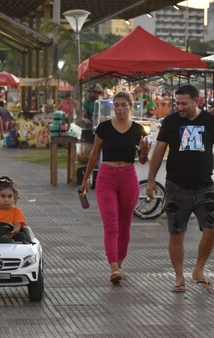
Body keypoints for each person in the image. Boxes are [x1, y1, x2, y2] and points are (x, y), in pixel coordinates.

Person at [146, 84, 214, 293]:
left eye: (184, 103)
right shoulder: (170, 122)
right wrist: (150, 181)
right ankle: (179, 277)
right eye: (177, 103)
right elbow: (158, 152)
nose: (180, 107)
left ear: (197, 101)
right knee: (177, 233)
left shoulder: (211, 121)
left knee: (212, 229)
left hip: (205, 186)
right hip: (176, 187)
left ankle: (199, 269)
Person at [80, 91, 150, 285]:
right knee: (111, 224)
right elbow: (94, 154)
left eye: (123, 105)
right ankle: (113, 268)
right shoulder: (104, 128)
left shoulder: (138, 129)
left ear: (130, 106)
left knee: (125, 225)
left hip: (128, 177)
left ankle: (119, 265)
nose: (120, 109)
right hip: (106, 177)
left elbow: (142, 160)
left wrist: (145, 151)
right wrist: (86, 178)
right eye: (116, 105)